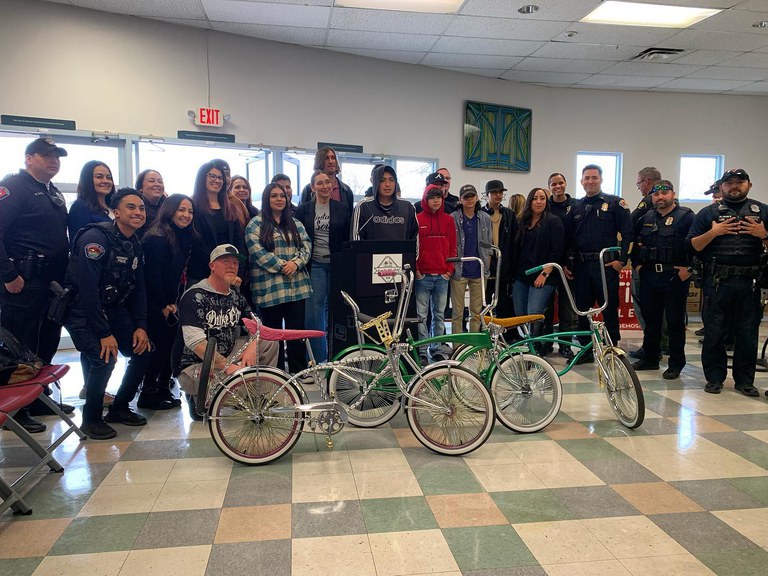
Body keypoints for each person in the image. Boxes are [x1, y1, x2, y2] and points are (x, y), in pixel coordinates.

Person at [64, 188, 153, 439]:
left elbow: (140, 288)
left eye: (141, 208)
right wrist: (104, 333)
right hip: (81, 310)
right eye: (131, 207)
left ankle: (120, 408)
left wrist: (141, 326)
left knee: (143, 352)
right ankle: (90, 419)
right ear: (115, 212)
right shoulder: (95, 239)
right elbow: (88, 290)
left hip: (114, 307)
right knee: (104, 359)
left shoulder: (134, 241)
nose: (138, 212)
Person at [0, 137, 72, 433]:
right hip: (22, 281)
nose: (53, 160)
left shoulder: (51, 191)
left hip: (50, 282)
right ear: (29, 158)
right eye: (46, 155)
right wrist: (7, 275)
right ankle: (15, 409)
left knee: (46, 342)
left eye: (57, 156)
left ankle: (38, 397)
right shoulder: (14, 186)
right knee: (20, 346)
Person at [687, 169, 768, 398]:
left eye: (739, 182)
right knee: (714, 332)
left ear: (749, 185)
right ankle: (714, 378)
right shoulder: (707, 213)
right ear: (721, 187)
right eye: (729, 182)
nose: (734, 186)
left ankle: (744, 381)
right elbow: (692, 246)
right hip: (717, 282)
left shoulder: (762, 211)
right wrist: (715, 232)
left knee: (747, 333)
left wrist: (763, 234)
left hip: (749, 283)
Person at [177, 244, 279, 420]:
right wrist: (231, 369)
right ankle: (198, 399)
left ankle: (257, 398)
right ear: (212, 266)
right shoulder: (194, 296)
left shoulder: (235, 295)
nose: (232, 265)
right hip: (198, 365)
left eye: (235, 262)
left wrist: (252, 346)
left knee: (268, 342)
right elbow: (197, 344)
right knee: (231, 385)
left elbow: (258, 325)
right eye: (225, 261)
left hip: (228, 354)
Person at [565, 164, 632, 362]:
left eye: (594, 177)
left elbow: (628, 234)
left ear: (601, 180)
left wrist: (622, 260)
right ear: (581, 181)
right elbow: (568, 239)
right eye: (586, 178)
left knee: (609, 307)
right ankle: (586, 351)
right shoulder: (575, 207)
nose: (590, 181)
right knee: (583, 309)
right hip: (582, 266)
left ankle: (612, 348)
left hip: (605, 266)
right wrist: (568, 262)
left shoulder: (614, 204)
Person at [137, 194, 196, 410]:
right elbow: (153, 276)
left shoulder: (180, 235)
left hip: (168, 300)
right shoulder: (156, 237)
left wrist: (171, 302)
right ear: (169, 211)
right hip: (153, 302)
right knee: (159, 347)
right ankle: (148, 392)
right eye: (181, 210)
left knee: (171, 345)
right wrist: (163, 304)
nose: (186, 215)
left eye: (190, 211)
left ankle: (162, 387)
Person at [246, 183, 312, 373]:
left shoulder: (295, 223)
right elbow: (257, 251)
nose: (279, 199)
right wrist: (283, 266)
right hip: (269, 289)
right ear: (267, 199)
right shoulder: (255, 224)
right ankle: (273, 373)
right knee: (272, 335)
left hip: (296, 287)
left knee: (296, 333)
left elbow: (306, 246)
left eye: (282, 196)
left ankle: (298, 372)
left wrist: (296, 263)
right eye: (274, 196)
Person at [630, 180, 694, 379]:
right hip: (650, 276)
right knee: (651, 320)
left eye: (665, 193)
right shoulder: (646, 218)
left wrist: (690, 270)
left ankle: (676, 363)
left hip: (674, 277)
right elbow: (634, 243)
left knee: (674, 322)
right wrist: (638, 266)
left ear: (672, 194)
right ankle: (650, 357)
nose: (660, 197)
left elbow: (697, 245)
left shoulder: (686, 217)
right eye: (656, 194)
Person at [295, 170, 350, 362]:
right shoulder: (303, 210)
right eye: (320, 183)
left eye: (328, 182)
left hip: (336, 264)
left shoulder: (342, 208)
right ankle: (317, 358)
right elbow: (299, 240)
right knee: (314, 312)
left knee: (338, 310)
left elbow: (347, 238)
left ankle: (338, 355)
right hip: (315, 265)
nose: (325, 186)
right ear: (312, 187)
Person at [512, 188, 564, 352]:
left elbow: (557, 250)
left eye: (542, 198)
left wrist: (544, 273)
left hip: (544, 275)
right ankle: (528, 346)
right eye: (535, 198)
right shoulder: (522, 221)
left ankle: (535, 349)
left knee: (534, 312)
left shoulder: (553, 221)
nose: (539, 201)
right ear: (530, 201)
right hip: (522, 275)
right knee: (520, 314)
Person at [415, 182, 456, 365]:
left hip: (442, 276)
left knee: (439, 315)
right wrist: (416, 271)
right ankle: (422, 350)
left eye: (438, 197)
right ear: (426, 200)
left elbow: (454, 247)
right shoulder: (417, 219)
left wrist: (449, 271)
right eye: (432, 197)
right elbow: (413, 247)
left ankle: (437, 348)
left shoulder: (448, 220)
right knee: (421, 316)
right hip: (422, 276)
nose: (436, 201)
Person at [187, 160, 246, 285]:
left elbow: (239, 242)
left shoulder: (230, 208)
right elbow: (198, 244)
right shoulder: (193, 206)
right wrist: (219, 269)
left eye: (220, 178)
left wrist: (238, 272)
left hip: (230, 275)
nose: (217, 180)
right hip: (202, 274)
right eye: (212, 176)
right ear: (202, 178)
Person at [629, 167, 664, 360]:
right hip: (660, 266)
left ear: (647, 181)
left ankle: (652, 345)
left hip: (647, 264)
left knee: (645, 305)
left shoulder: (649, 199)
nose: (639, 188)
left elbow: (631, 223)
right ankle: (658, 344)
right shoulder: (672, 203)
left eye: (639, 184)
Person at [451, 185, 492, 334]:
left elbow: (488, 245)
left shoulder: (485, 218)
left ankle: (474, 346)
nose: (469, 199)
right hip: (459, 271)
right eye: (466, 197)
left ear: (477, 198)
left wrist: (487, 267)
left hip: (479, 271)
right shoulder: (453, 217)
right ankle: (457, 346)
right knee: (457, 313)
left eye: (472, 196)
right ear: (460, 200)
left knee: (476, 313)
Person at [546, 172, 577, 358]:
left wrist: (568, 262)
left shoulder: (575, 206)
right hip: (550, 264)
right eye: (553, 184)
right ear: (549, 186)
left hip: (568, 265)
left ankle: (565, 346)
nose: (557, 187)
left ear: (565, 184)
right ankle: (546, 343)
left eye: (560, 183)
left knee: (567, 308)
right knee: (547, 308)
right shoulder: (545, 206)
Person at [351, 165, 418, 242]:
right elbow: (356, 239)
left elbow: (415, 236)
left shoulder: (407, 207)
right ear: (376, 183)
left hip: (401, 254)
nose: (387, 184)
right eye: (382, 180)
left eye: (391, 180)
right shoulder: (363, 206)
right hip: (370, 254)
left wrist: (412, 254)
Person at [482, 179, 516, 318]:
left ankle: (506, 335)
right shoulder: (480, 214)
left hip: (504, 266)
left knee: (504, 304)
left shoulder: (509, 214)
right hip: (485, 266)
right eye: (494, 192)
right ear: (487, 194)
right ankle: (482, 335)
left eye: (500, 192)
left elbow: (514, 241)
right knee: (483, 304)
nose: (498, 195)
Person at [67, 160, 116, 244]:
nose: (105, 181)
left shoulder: (114, 207)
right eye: (99, 177)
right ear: (87, 180)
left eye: (109, 177)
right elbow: (78, 243)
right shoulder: (80, 207)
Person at [298, 147, 354, 215]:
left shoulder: (346, 190)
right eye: (326, 158)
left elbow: (350, 218)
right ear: (319, 161)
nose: (331, 161)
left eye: (333, 158)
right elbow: (301, 215)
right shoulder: (308, 189)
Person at [135, 169, 166, 236]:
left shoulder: (168, 209)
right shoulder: (136, 210)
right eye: (151, 181)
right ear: (140, 188)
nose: (157, 184)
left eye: (160, 181)